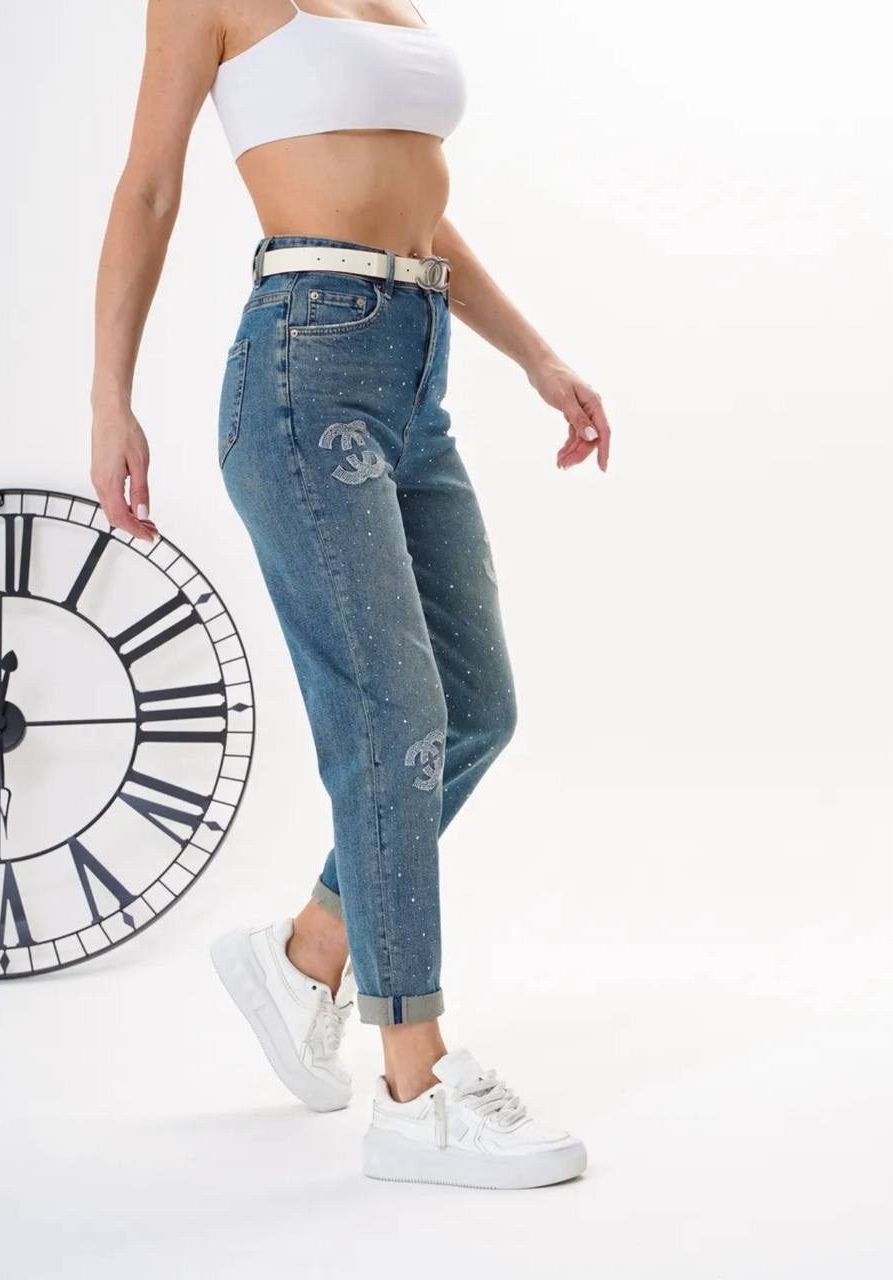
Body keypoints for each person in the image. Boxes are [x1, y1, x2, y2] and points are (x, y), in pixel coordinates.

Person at [90, 0, 611, 1191]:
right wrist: (109, 396)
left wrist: (536, 355)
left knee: (473, 709)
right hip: (304, 366)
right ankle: (415, 1089)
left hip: (416, 370)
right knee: (394, 718)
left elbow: (419, 214)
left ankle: (307, 951)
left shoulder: (395, 5)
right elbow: (149, 189)